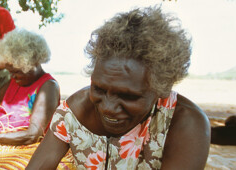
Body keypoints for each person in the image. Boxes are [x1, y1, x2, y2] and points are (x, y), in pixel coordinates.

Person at [27, 6, 211, 169]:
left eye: (128, 96)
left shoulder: (185, 123)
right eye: (99, 89)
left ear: (162, 87)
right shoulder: (73, 113)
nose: (108, 107)